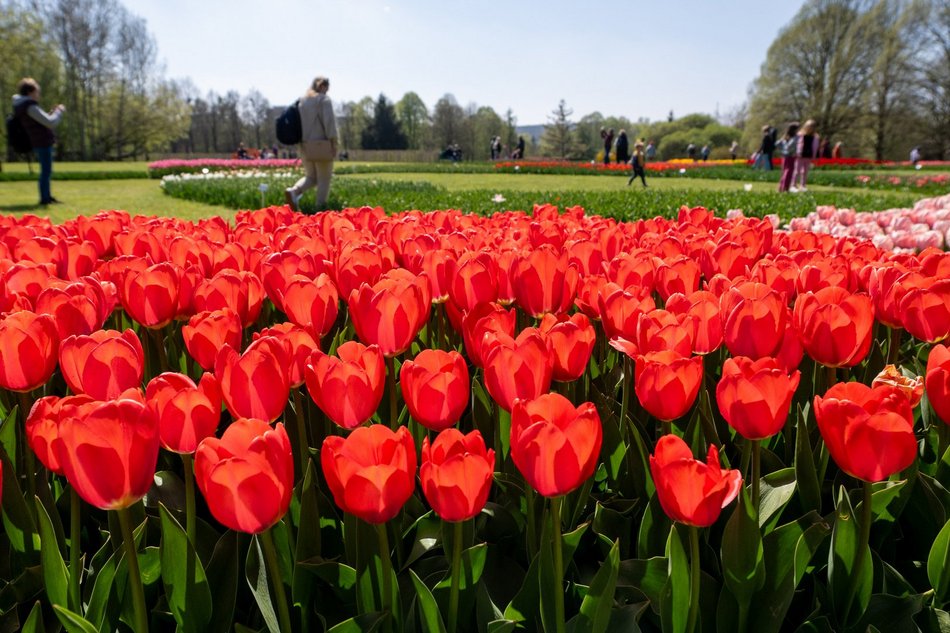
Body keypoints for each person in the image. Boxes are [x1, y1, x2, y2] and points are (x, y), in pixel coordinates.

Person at [284, 76, 338, 213]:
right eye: (327, 88)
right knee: (324, 179)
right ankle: (320, 210)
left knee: (311, 177)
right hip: (321, 144)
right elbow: (329, 124)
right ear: (322, 86)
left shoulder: (302, 101)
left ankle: (294, 191)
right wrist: (334, 142)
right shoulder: (323, 100)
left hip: (304, 145)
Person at [12, 77, 65, 206]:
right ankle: (45, 198)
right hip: (42, 142)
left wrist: (50, 114)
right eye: (37, 92)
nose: (39, 95)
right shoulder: (29, 106)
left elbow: (42, 121)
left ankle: (47, 196)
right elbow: (50, 122)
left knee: (46, 171)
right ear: (30, 92)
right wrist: (59, 112)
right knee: (46, 171)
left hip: (39, 141)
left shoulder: (24, 106)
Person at [792, 119, 820, 191]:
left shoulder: (815, 137)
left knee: (805, 171)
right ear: (805, 126)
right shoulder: (800, 135)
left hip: (808, 155)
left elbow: (815, 147)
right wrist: (795, 152)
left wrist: (814, 156)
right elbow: (795, 144)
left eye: (812, 127)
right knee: (797, 170)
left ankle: (803, 185)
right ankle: (793, 185)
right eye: (809, 126)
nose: (810, 128)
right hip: (800, 154)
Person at [776, 122, 800, 193]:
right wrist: (789, 150)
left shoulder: (785, 136)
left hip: (784, 156)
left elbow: (777, 144)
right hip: (790, 156)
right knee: (788, 172)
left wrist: (782, 149)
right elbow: (790, 146)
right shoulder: (794, 137)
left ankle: (781, 187)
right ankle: (785, 188)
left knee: (784, 172)